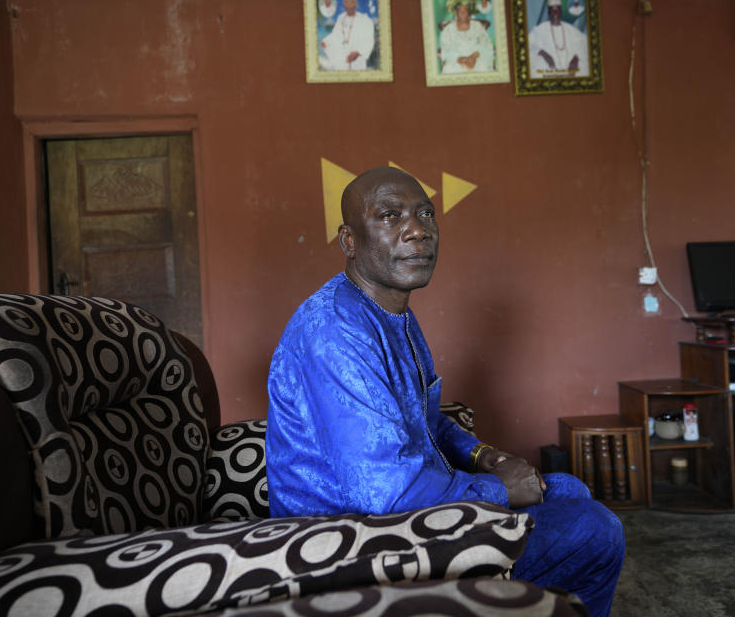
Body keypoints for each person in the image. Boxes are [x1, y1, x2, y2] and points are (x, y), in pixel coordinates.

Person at [266, 166, 625, 617]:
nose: (417, 230)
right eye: (390, 216)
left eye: (425, 214)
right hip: (351, 543)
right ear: (349, 241)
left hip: (397, 513)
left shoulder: (395, 314)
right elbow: (384, 494)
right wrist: (497, 491)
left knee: (568, 490)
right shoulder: (336, 332)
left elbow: (425, 418)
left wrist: (484, 457)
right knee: (594, 530)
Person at [528, 0, 589, 78]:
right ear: (549, 13)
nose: (555, 12)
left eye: (557, 10)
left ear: (561, 12)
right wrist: (544, 54)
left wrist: (576, 58)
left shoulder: (571, 30)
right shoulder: (539, 29)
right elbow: (527, 44)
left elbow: (585, 44)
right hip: (548, 69)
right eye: (552, 10)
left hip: (570, 70)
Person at [320, 0, 375, 70]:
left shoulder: (365, 20)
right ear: (343, 4)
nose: (349, 5)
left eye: (352, 2)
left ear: (356, 4)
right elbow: (335, 34)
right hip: (342, 61)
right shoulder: (341, 17)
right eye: (346, 2)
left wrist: (358, 52)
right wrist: (326, 41)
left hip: (357, 63)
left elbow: (370, 40)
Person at [439, 0, 494, 74]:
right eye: (460, 10)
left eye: (465, 10)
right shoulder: (448, 29)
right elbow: (446, 49)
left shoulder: (477, 26)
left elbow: (486, 43)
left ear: (469, 12)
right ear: (456, 13)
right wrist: (460, 59)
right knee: (449, 71)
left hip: (476, 58)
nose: (463, 13)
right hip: (456, 61)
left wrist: (474, 56)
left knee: (484, 70)